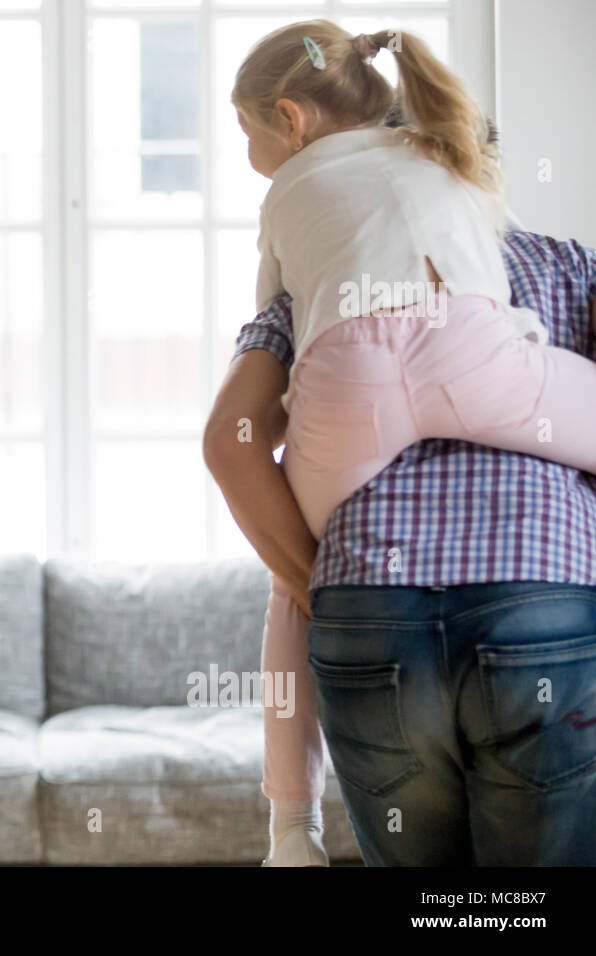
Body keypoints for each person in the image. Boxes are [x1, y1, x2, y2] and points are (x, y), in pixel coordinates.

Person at [211, 19, 596, 865]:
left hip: (352, 445)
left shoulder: (292, 215)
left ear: (292, 117)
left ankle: (288, 828)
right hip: (486, 393)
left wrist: (310, 549)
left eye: (248, 134)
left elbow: (238, 438)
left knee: (290, 578)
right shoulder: (554, 259)